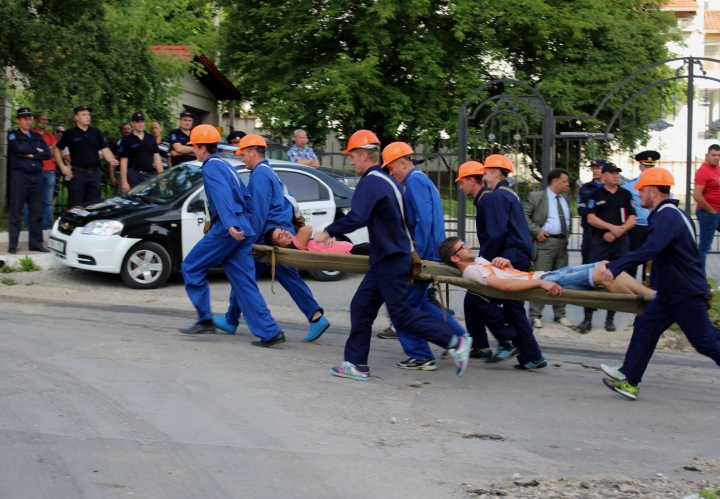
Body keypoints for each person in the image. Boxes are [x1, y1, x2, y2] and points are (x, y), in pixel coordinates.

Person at [313, 130, 472, 381]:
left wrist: (328, 232)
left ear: (364, 155)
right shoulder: (390, 182)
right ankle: (356, 364)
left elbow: (358, 217)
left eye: (352, 156)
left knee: (402, 315)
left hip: (390, 258)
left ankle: (456, 341)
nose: (351, 161)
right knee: (362, 307)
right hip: (389, 257)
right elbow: (406, 220)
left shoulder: (371, 182)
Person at [599, 168, 720, 400]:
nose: (639, 194)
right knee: (646, 326)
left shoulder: (667, 216)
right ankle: (630, 379)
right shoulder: (672, 214)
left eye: (642, 190)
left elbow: (651, 249)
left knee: (705, 342)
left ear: (654, 191)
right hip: (672, 293)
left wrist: (616, 266)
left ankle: (630, 377)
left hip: (685, 293)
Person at [178, 124, 286, 346]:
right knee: (244, 282)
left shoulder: (210, 167)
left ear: (202, 148)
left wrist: (229, 225)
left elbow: (221, 197)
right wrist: (247, 227)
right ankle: (270, 332)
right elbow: (246, 198)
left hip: (228, 229)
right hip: (242, 228)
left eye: (193, 147)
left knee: (191, 266)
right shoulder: (227, 166)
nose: (193, 151)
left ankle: (205, 319)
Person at [217, 134, 331, 344]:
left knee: (243, 275)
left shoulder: (260, 175)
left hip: (270, 236)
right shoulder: (268, 172)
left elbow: (258, 213)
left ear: (252, 152)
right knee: (250, 276)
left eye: (243, 154)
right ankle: (316, 317)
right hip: (278, 233)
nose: (242, 159)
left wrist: (248, 241)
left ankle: (232, 320)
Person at [381, 141, 468, 371]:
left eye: (391, 168)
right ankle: (460, 337)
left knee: (403, 306)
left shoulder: (415, 181)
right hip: (429, 252)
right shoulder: (417, 180)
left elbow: (424, 220)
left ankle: (421, 354)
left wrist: (415, 254)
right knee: (420, 304)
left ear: (403, 162)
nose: (391, 173)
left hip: (424, 254)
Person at [439, 237, 655, 297]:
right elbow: (503, 286)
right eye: (463, 247)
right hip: (548, 279)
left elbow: (507, 274)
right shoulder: (471, 270)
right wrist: (541, 283)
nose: (468, 247)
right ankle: (641, 305)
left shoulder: (479, 261)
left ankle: (652, 296)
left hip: (549, 274)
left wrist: (507, 263)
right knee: (604, 274)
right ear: (456, 258)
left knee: (607, 266)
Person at [581, 162, 636, 333]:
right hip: (600, 242)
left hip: (620, 242)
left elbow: (632, 219)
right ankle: (587, 318)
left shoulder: (625, 194)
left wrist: (617, 231)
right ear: (603, 176)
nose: (616, 176)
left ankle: (610, 318)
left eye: (617, 173)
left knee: (617, 277)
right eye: (612, 173)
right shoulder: (595, 194)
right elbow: (591, 218)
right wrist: (610, 228)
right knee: (592, 277)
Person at [455, 161, 495, 360]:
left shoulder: (487, 200)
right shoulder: (484, 200)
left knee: (477, 298)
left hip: (497, 261)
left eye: (462, 183)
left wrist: (483, 261)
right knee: (472, 299)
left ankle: (508, 338)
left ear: (472, 180)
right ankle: (481, 345)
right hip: (493, 258)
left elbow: (495, 235)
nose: (460, 187)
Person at [524, 168, 573, 329]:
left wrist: (568, 230)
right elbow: (524, 215)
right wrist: (537, 231)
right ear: (555, 181)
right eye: (564, 181)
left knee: (562, 278)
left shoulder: (564, 198)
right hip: (545, 244)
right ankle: (535, 314)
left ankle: (560, 314)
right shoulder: (537, 197)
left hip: (561, 244)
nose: (567, 184)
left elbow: (567, 216)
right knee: (542, 278)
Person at [53, 105, 118, 208]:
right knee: (76, 207)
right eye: (84, 115)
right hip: (78, 174)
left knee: (93, 206)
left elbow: (105, 149)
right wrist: (62, 166)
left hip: (95, 173)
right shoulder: (70, 134)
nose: (88, 117)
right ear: (76, 117)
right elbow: (56, 149)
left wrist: (112, 160)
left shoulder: (96, 133)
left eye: (88, 114)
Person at [7, 107, 52, 254]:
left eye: (29, 119)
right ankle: (13, 244)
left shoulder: (37, 136)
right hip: (20, 177)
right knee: (16, 210)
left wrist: (32, 155)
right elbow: (19, 148)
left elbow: (47, 153)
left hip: (36, 176)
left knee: (36, 211)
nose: (27, 121)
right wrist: (35, 150)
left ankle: (36, 243)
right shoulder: (13, 135)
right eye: (24, 119)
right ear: (18, 120)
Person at [622, 150, 661, 282]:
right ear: (640, 166)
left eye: (651, 166)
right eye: (646, 165)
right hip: (636, 229)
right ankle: (628, 291)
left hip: (654, 227)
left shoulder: (660, 186)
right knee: (632, 261)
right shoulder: (629, 187)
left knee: (651, 263)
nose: (649, 169)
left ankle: (647, 290)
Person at [692, 144, 720, 274]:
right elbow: (697, 195)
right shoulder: (703, 171)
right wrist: (711, 210)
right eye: (713, 155)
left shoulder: (717, 169)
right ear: (707, 156)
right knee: (704, 246)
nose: (716, 158)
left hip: (716, 212)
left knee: (704, 245)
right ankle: (699, 277)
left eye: (718, 155)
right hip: (708, 213)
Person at [118, 112, 163, 191]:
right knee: (135, 200)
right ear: (132, 123)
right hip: (134, 175)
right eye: (138, 122)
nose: (140, 124)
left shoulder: (151, 138)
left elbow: (157, 159)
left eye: (142, 121)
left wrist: (162, 178)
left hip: (149, 175)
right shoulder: (127, 140)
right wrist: (124, 182)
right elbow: (123, 162)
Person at [30, 113, 58, 230]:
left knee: (47, 201)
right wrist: (46, 150)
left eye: (47, 119)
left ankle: (47, 227)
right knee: (31, 200)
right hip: (35, 170)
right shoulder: (31, 134)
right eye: (43, 119)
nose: (46, 121)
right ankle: (29, 226)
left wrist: (43, 151)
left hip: (50, 171)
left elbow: (53, 151)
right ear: (36, 121)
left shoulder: (50, 136)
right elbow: (30, 150)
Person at [266, 225, 369, 255]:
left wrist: (329, 237)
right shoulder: (293, 247)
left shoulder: (301, 243)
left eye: (283, 230)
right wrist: (320, 235)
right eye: (281, 236)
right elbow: (308, 228)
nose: (285, 232)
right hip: (351, 252)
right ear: (279, 246)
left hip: (353, 248)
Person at [109, 123, 131, 190]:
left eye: (128, 129)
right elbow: (112, 160)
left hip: (133, 173)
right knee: (120, 195)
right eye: (124, 129)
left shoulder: (136, 141)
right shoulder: (117, 143)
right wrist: (112, 176)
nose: (127, 131)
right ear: (121, 131)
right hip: (119, 173)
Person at [51, 125, 66, 212]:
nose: (60, 133)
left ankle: (50, 215)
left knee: (55, 193)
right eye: (58, 131)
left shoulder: (65, 144)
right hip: (49, 169)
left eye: (63, 132)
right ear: (54, 132)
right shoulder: (51, 141)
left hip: (58, 170)